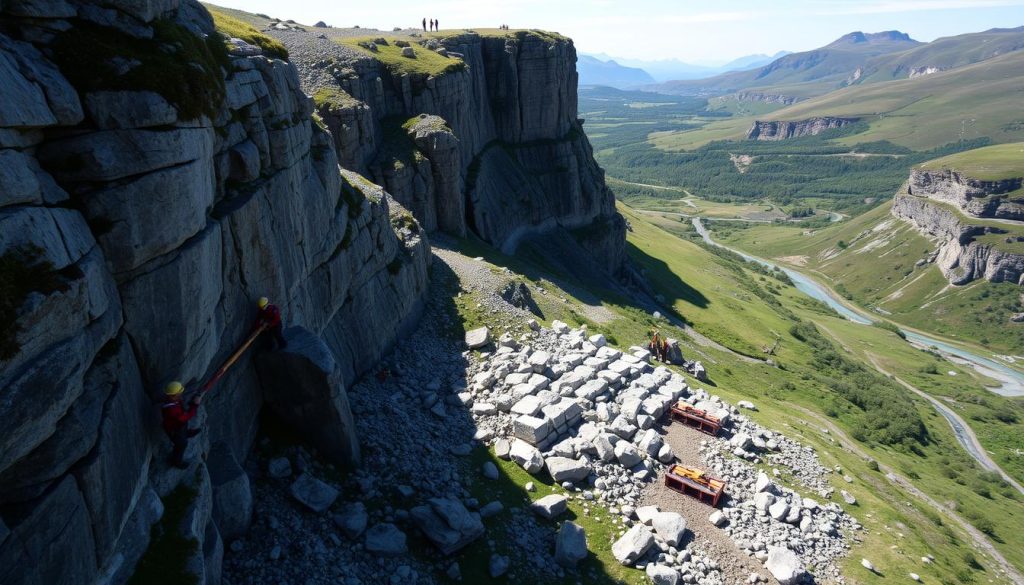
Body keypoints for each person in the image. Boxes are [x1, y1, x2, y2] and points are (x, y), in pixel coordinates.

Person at [161, 381, 201, 469]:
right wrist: (195, 405)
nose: (181, 395)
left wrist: (192, 401)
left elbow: (181, 407)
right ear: (173, 396)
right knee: (181, 445)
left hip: (176, 425)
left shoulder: (171, 400)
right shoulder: (172, 410)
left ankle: (186, 433)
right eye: (179, 394)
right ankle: (176, 462)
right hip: (174, 430)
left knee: (183, 427)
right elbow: (186, 416)